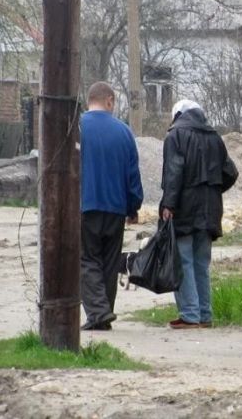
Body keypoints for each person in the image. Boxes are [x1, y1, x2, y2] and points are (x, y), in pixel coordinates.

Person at [160, 99, 238, 329]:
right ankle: (205, 314)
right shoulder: (214, 137)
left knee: (183, 261)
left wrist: (168, 205)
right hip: (210, 209)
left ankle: (190, 315)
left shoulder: (175, 135)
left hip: (184, 209)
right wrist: (212, 190)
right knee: (201, 263)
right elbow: (231, 172)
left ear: (178, 115)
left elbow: (174, 173)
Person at [80, 81, 143, 331]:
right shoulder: (124, 132)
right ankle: (104, 314)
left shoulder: (77, 127)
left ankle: (99, 312)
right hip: (116, 209)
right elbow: (132, 174)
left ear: (89, 101)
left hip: (86, 205)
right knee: (109, 261)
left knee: (86, 259)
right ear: (109, 101)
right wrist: (133, 207)